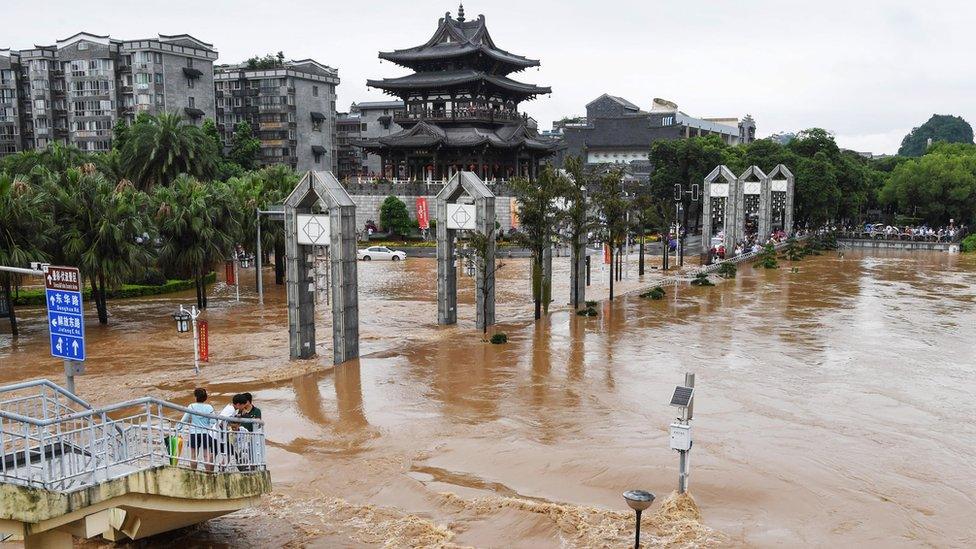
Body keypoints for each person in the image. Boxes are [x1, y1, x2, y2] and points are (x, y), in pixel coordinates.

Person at [178, 388, 217, 472]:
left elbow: (184, 419)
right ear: (205, 397)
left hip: (193, 433)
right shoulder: (209, 407)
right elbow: (214, 421)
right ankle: (208, 473)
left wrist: (178, 428)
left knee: (193, 455)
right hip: (206, 433)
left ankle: (193, 473)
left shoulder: (191, 406)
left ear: (195, 397)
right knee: (206, 456)